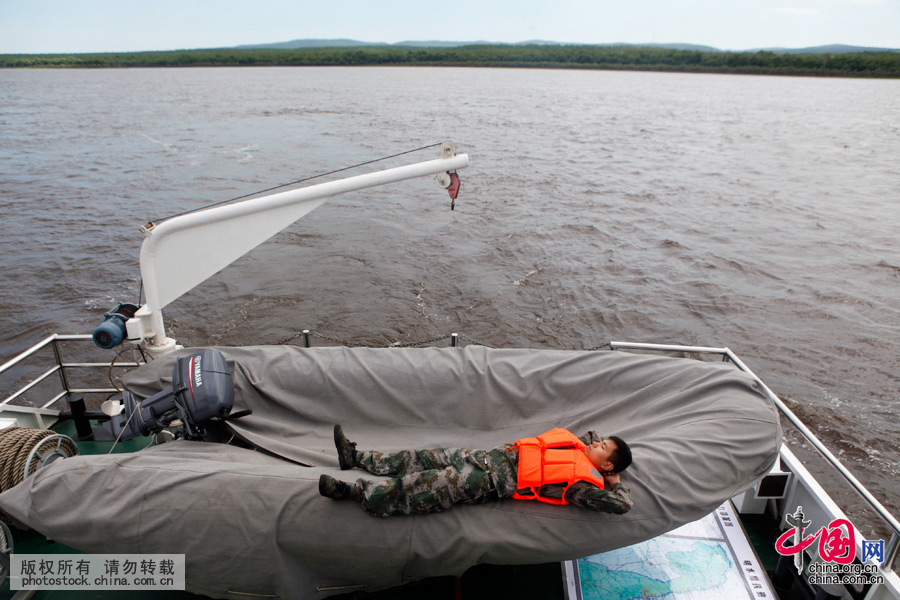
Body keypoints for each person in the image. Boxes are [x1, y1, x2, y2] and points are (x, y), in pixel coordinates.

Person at [319, 425, 633, 517]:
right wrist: (596, 444)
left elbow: (621, 506)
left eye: (602, 447)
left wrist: (615, 482)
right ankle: (357, 457)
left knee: (425, 484)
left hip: (487, 481)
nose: (595, 443)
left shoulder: (583, 485)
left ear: (606, 465)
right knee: (422, 456)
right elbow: (588, 435)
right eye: (601, 440)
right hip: (485, 457)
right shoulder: (577, 447)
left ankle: (352, 492)